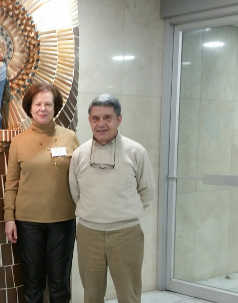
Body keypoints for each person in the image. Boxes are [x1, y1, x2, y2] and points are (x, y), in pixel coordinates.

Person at [69, 94, 156, 303]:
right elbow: (75, 192)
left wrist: (123, 213)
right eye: (96, 118)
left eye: (107, 117)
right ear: (89, 120)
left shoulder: (136, 151)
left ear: (119, 119)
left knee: (129, 294)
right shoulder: (79, 154)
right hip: (89, 234)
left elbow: (147, 191)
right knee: (92, 294)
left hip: (126, 234)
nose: (101, 124)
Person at [4, 83, 79, 303]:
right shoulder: (18, 141)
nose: (43, 108)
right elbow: (11, 184)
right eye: (38, 104)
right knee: (33, 282)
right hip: (28, 222)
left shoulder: (70, 137)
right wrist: (9, 217)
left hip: (63, 220)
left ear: (55, 107)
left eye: (48, 104)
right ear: (30, 108)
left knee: (59, 282)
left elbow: (83, 176)